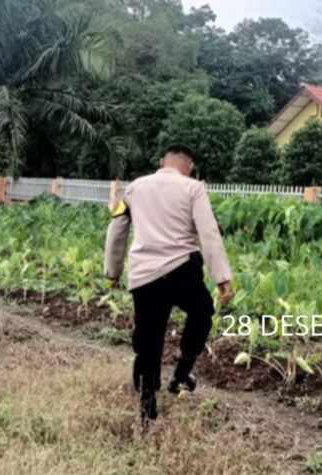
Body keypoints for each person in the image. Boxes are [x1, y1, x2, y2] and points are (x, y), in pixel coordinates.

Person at [104, 143, 234, 424]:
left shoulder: (135, 188)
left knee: (150, 335)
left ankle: (147, 402)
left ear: (162, 162)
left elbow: (117, 227)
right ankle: (182, 372)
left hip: (144, 273)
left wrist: (112, 271)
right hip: (181, 270)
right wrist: (222, 277)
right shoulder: (193, 188)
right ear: (189, 166)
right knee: (202, 312)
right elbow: (209, 233)